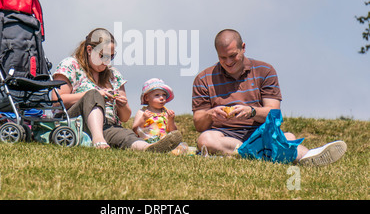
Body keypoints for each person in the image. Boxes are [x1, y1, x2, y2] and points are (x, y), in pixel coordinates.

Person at [192, 29, 347, 166]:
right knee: (205, 139)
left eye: (233, 56)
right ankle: (268, 152)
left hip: (260, 131)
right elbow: (199, 124)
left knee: (283, 138)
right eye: (223, 57)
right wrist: (210, 113)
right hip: (225, 135)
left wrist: (251, 111)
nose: (228, 62)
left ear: (243, 48)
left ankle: (308, 156)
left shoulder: (265, 71)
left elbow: (274, 114)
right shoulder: (204, 78)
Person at [52, 28, 182, 152]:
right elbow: (56, 100)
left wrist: (122, 104)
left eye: (111, 57)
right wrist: (93, 94)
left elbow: (125, 117)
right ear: (90, 50)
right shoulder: (70, 65)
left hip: (108, 125)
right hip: (77, 121)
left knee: (126, 135)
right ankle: (98, 140)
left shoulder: (113, 74)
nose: (107, 62)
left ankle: (149, 148)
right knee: (93, 95)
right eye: (103, 56)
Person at [132, 78, 178, 143]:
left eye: (164, 95)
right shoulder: (142, 112)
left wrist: (171, 120)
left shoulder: (166, 113)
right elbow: (135, 130)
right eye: (157, 95)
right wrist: (143, 119)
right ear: (146, 97)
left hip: (164, 142)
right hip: (146, 142)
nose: (162, 98)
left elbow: (174, 133)